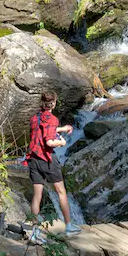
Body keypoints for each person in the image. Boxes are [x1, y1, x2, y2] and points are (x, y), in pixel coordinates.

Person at [26, 92, 79, 241]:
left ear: (42, 103)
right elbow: (49, 141)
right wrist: (61, 143)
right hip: (47, 160)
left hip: (33, 159)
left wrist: (62, 129)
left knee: (37, 196)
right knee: (61, 192)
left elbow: (43, 129)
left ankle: (35, 231)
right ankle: (69, 226)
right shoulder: (53, 119)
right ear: (54, 104)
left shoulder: (34, 118)